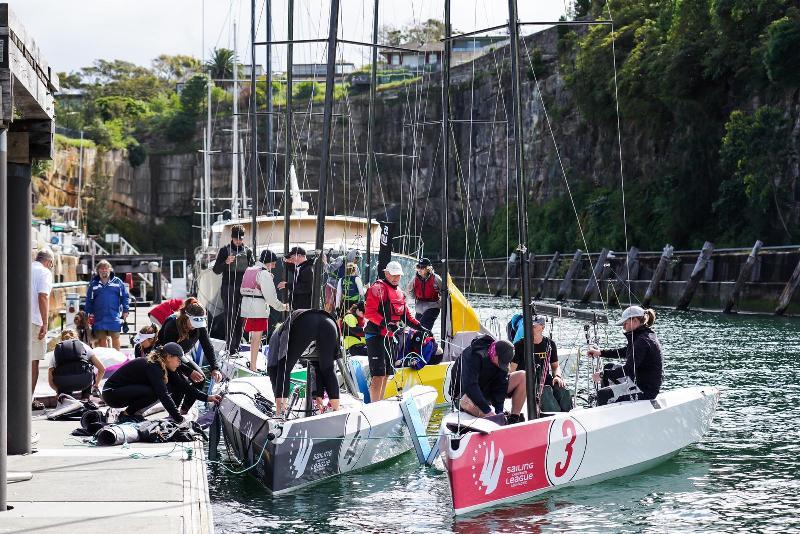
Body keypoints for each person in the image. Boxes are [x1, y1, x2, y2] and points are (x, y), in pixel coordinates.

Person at [102, 342, 221, 424]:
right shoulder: (153, 366)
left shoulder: (164, 365)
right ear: (169, 357)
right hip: (111, 393)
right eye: (178, 360)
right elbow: (163, 395)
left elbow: (185, 387)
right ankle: (127, 414)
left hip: (123, 391)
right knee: (156, 392)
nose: (180, 363)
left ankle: (132, 413)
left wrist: (208, 398)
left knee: (171, 386)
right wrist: (179, 419)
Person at [364, 261, 423, 402]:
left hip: (389, 336)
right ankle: (374, 405)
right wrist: (386, 324)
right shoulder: (377, 288)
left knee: (385, 373)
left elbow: (406, 316)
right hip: (375, 335)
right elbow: (369, 313)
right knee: (378, 374)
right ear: (386, 273)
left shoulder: (400, 293)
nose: (396, 277)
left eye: (398, 275)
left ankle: (379, 401)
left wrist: (420, 327)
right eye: (393, 274)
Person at [267, 310, 341, 415]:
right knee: (327, 368)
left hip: (305, 322)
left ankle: (280, 412)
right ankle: (336, 410)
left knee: (284, 368)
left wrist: (277, 396)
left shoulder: (276, 335)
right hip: (329, 322)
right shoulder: (290, 331)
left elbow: (273, 369)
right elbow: (317, 367)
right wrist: (317, 395)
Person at [588, 306, 663, 405]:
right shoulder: (643, 335)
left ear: (635, 321)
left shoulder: (642, 341)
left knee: (602, 394)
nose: (624, 327)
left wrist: (602, 374)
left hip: (645, 390)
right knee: (609, 367)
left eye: (625, 323)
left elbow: (628, 369)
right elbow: (626, 351)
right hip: (638, 379)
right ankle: (612, 402)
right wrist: (601, 353)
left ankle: (608, 406)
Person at [449, 335, 526, 423]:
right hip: (464, 395)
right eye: (500, 362)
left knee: (523, 376)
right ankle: (494, 421)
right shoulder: (472, 355)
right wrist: (487, 411)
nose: (501, 365)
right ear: (494, 354)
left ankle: (514, 418)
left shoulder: (502, 360)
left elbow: (500, 386)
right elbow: (470, 386)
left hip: (486, 391)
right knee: (466, 400)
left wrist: (499, 411)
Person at [508, 315, 572, 412]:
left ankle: (569, 413)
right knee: (545, 391)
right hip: (528, 382)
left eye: (533, 326)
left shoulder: (550, 344)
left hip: (545, 379)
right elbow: (511, 370)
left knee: (562, 389)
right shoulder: (519, 345)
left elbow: (555, 366)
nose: (530, 328)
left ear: (542, 327)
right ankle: (554, 414)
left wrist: (557, 376)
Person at [157, 298, 223, 386]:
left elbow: (207, 346)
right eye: (193, 323)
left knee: (200, 379)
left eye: (198, 325)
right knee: (181, 385)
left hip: (181, 356)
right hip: (165, 357)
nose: (195, 327)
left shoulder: (200, 326)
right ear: (185, 317)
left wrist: (215, 368)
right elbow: (168, 353)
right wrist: (189, 371)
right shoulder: (172, 324)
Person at [240, 249, 287, 371]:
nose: (275, 265)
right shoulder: (264, 273)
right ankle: (254, 367)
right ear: (270, 262)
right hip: (258, 309)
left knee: (252, 338)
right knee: (257, 338)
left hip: (246, 307)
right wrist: (282, 307)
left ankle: (253, 363)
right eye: (274, 263)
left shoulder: (250, 270)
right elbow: (271, 298)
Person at [211, 224, 254, 354]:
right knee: (230, 316)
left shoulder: (248, 251)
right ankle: (230, 347)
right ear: (232, 238)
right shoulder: (225, 250)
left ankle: (238, 345)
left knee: (241, 317)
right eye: (236, 239)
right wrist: (226, 263)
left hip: (243, 289)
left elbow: (252, 268)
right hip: (228, 287)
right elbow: (216, 270)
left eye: (240, 239)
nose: (238, 241)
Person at [48, 329, 105, 400]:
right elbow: (102, 369)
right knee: (89, 368)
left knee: (63, 375)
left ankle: (65, 398)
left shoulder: (57, 350)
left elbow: (50, 379)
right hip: (84, 382)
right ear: (77, 337)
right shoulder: (84, 346)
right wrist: (95, 385)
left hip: (64, 384)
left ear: (61, 339)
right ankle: (85, 398)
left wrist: (58, 391)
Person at [85, 259, 130, 350]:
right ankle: (105, 359)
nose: (104, 270)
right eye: (101, 269)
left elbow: (125, 297)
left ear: (110, 269)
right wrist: (88, 314)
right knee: (102, 339)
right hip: (99, 317)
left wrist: (126, 310)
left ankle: (117, 358)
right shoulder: (93, 284)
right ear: (98, 271)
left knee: (115, 337)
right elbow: (89, 300)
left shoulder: (118, 282)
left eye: (106, 268)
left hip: (114, 316)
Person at [31, 248, 54, 409]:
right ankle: (28, 400)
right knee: (33, 362)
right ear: (49, 262)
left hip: (13, 321)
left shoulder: (24, 267)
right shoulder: (44, 273)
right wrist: (45, 323)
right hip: (34, 321)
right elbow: (43, 296)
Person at [406, 257, 442, 331]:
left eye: (422, 267)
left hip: (433, 306)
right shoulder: (414, 279)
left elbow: (444, 293)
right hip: (419, 307)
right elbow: (410, 294)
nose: (419, 269)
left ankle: (428, 339)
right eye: (418, 267)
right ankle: (429, 341)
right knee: (415, 329)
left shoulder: (436, 279)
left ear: (428, 268)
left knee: (423, 328)